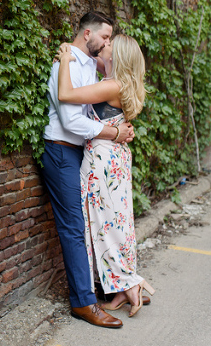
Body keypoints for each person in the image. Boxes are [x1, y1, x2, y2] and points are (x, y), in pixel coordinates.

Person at [41, 11, 134, 329]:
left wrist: (120, 126)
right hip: (61, 152)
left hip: (79, 153)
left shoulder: (91, 69)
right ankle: (84, 303)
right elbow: (71, 121)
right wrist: (113, 133)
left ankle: (111, 285)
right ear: (87, 33)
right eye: (105, 37)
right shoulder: (65, 63)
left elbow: (101, 109)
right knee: (73, 229)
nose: (108, 43)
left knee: (94, 223)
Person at [57, 33, 155, 318]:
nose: (104, 44)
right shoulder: (121, 81)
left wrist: (65, 59)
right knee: (118, 222)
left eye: (110, 43)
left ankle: (129, 284)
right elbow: (96, 60)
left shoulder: (112, 85)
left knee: (99, 224)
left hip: (102, 158)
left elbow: (66, 94)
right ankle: (125, 287)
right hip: (117, 158)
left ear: (117, 56)